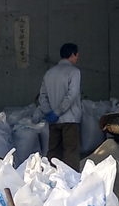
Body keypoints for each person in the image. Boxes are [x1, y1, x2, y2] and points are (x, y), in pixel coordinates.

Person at [40, 42, 82, 170]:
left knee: (53, 152)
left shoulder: (49, 73)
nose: (77, 58)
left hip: (54, 121)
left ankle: (51, 177)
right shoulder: (74, 72)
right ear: (72, 54)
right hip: (70, 120)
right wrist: (58, 111)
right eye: (77, 55)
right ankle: (70, 179)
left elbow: (42, 96)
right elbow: (72, 95)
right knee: (70, 151)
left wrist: (49, 112)